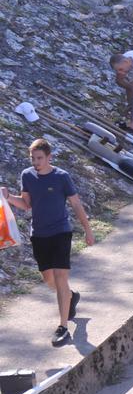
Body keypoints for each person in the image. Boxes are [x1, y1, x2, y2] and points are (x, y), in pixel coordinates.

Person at [2, 139, 93, 346]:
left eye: (40, 158)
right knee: (49, 279)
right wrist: (8, 197)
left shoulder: (62, 177)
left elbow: (76, 204)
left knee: (61, 276)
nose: (36, 162)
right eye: (33, 158)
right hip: (39, 234)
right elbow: (26, 205)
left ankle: (63, 327)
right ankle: (70, 296)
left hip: (61, 232)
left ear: (49, 157)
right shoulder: (27, 175)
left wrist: (88, 230)